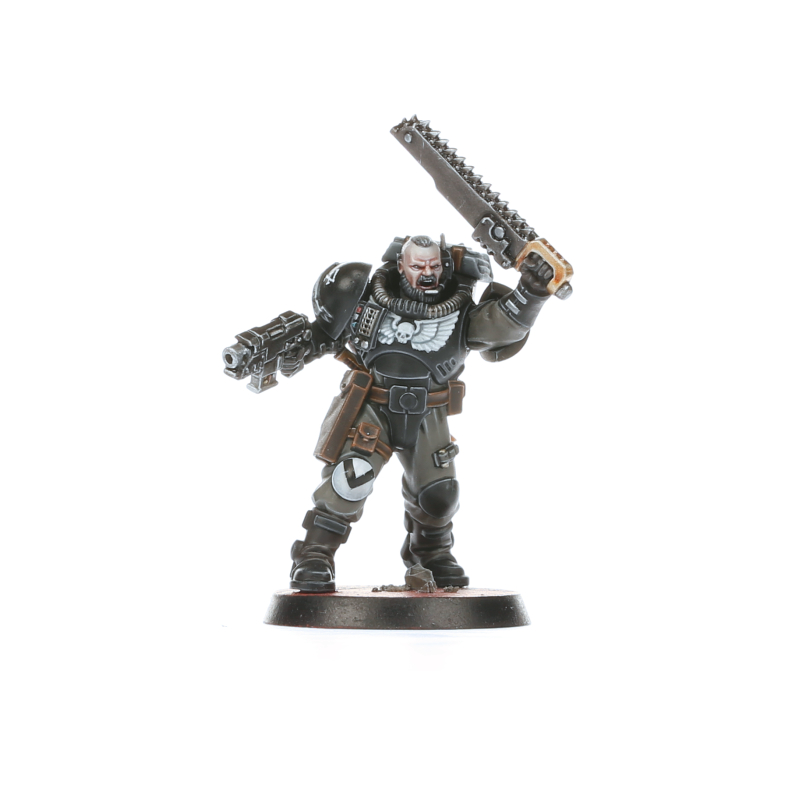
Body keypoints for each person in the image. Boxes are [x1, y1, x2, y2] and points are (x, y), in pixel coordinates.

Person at [285, 233, 554, 592]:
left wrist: (531, 292)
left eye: (433, 265)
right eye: (417, 265)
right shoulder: (366, 301)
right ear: (401, 266)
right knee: (349, 480)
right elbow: (324, 334)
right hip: (374, 407)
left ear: (444, 267)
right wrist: (294, 350)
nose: (426, 273)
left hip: (429, 411)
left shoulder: (459, 310)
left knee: (439, 495)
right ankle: (315, 553)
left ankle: (431, 554)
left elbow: (500, 326)